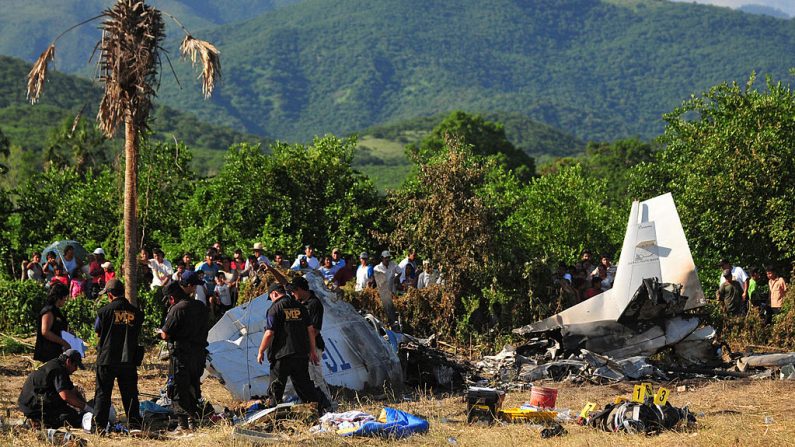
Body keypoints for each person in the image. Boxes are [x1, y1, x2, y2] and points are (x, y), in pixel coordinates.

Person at [256, 283, 321, 410]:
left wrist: (261, 351)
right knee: (304, 386)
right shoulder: (300, 307)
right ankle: (316, 410)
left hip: (281, 355)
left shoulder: (274, 309)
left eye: (271, 297)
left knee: (276, 388)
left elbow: (269, 333)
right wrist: (312, 350)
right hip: (301, 354)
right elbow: (311, 330)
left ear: (274, 294)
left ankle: (275, 415)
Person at [93, 279, 144, 432]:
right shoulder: (136, 313)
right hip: (128, 358)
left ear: (109, 295)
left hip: (107, 359)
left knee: (103, 394)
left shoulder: (104, 311)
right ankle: (135, 426)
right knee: (130, 394)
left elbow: (98, 331)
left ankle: (100, 427)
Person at [159, 281, 209, 430]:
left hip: (181, 356)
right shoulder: (201, 306)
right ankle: (193, 421)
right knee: (194, 386)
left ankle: (183, 426)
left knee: (178, 389)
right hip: (198, 355)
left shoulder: (177, 309)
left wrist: (161, 333)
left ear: (172, 298)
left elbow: (165, 333)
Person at [18, 349, 88, 429]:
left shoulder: (58, 365)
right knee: (70, 417)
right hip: (33, 406)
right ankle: (37, 421)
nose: (76, 369)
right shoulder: (57, 370)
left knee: (71, 411)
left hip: (32, 401)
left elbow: (72, 390)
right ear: (68, 361)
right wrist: (85, 408)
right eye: (75, 365)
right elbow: (66, 396)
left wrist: (84, 404)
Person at [34, 283, 72, 363]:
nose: (66, 300)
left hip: (56, 350)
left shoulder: (56, 310)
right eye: (65, 297)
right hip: (48, 352)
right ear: (59, 297)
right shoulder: (49, 311)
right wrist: (64, 342)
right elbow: (45, 332)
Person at [373, 250, 402, 325]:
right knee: (387, 309)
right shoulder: (377, 268)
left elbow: (400, 271)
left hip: (392, 290)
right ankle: (390, 323)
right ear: (382, 258)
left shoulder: (393, 264)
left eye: (389, 258)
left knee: (394, 308)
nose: (387, 259)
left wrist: (396, 278)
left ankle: (395, 323)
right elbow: (379, 282)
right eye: (386, 258)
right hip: (383, 292)